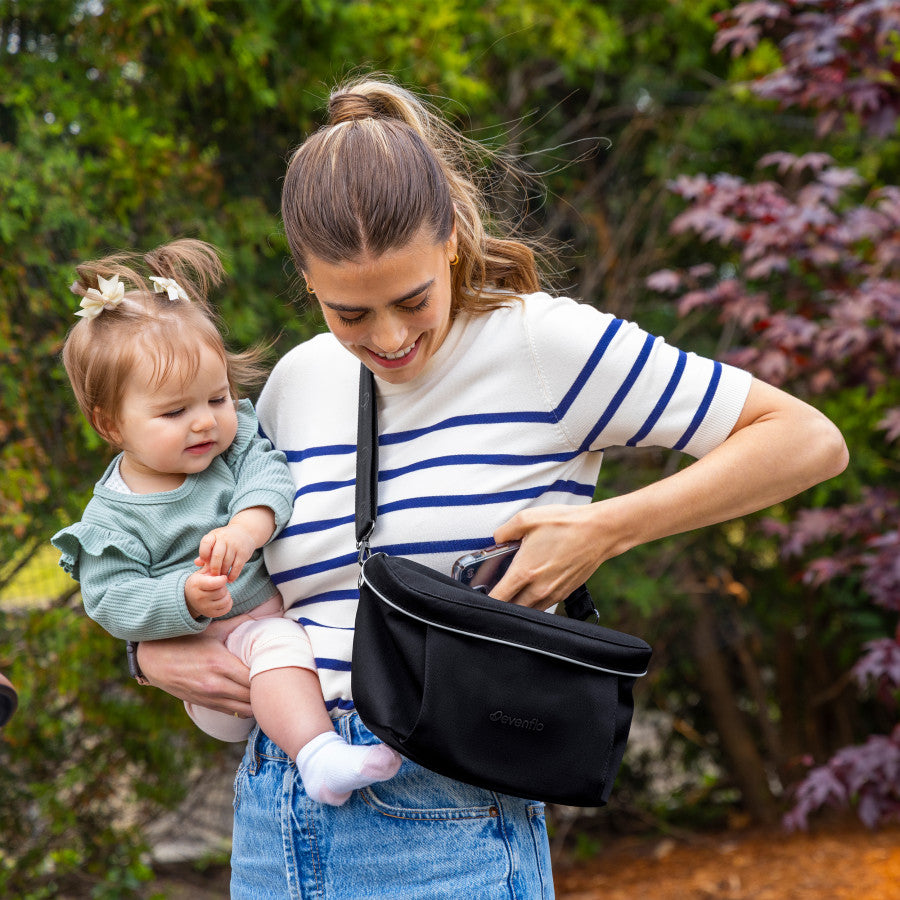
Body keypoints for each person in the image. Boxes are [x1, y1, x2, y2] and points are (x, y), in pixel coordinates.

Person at [135, 78, 849, 897]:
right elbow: (218, 557)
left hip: (444, 810)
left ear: (448, 241)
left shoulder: (543, 345)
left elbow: (806, 439)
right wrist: (154, 652)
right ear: (306, 277)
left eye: (411, 301)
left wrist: (610, 527)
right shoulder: (297, 381)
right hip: (271, 808)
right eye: (351, 313)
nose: (390, 337)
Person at [50, 240, 401, 806]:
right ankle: (320, 758)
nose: (204, 424)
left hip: (271, 663)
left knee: (282, 644)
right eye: (173, 412)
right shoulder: (110, 519)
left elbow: (271, 476)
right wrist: (182, 596)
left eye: (216, 398)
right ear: (110, 423)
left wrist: (245, 528)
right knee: (278, 641)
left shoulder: (232, 450)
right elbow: (110, 598)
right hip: (215, 662)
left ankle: (303, 739)